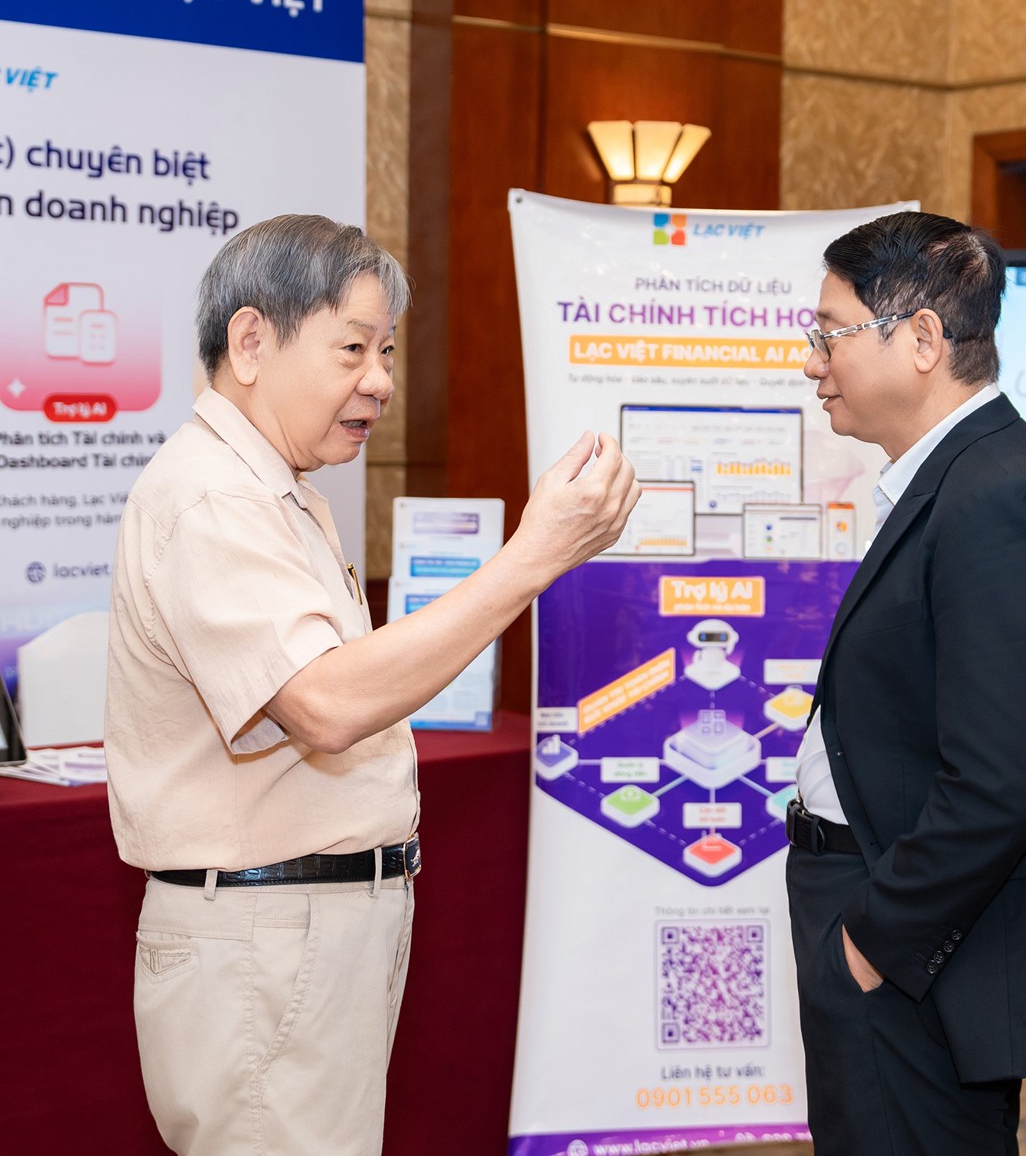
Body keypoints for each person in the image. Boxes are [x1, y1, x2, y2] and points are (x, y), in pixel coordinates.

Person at [106, 213, 639, 1155]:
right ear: (250, 342)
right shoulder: (213, 497)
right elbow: (326, 703)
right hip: (266, 939)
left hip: (301, 930)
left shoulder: (278, 488)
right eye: (353, 348)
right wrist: (532, 558)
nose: (382, 381)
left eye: (386, 351)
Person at [785, 210, 1026, 1153]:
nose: (812, 362)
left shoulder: (997, 495)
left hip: (915, 954)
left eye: (831, 334)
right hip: (886, 920)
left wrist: (871, 944)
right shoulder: (956, 475)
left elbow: (1001, 784)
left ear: (923, 339)